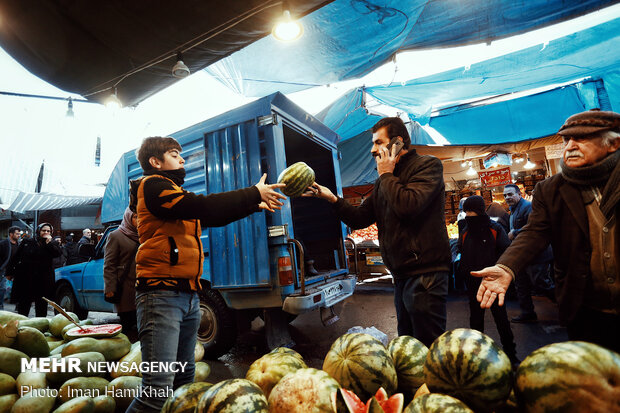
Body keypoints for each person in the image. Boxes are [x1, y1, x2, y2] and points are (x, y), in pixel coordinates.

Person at [126, 136, 286, 412]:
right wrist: (252, 193)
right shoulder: (153, 186)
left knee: (184, 381)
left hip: (187, 294)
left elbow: (211, 216)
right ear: (155, 162)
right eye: (175, 154)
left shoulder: (175, 196)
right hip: (160, 295)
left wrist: (251, 204)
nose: (182, 159)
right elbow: (204, 207)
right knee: (156, 391)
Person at [474, 109, 620, 353]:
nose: (570, 146)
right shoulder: (550, 189)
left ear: (613, 143)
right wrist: (506, 266)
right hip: (586, 311)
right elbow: (534, 232)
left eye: (581, 138)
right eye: (566, 140)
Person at [304, 117, 451, 347]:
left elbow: (408, 206)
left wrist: (385, 174)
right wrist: (332, 198)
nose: (373, 149)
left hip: (425, 275)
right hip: (402, 275)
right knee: (407, 347)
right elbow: (360, 218)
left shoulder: (427, 166)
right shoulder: (385, 180)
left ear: (397, 143)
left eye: (378, 142)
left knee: (427, 346)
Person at [458, 196, 518, 365]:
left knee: (499, 319)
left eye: (471, 211)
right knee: (479, 320)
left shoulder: (494, 228)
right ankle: (480, 355)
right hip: (475, 283)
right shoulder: (467, 230)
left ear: (479, 210)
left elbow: (506, 253)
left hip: (492, 281)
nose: (469, 215)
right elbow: (461, 251)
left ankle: (509, 355)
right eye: (467, 212)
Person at [502, 183, 554, 323]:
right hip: (522, 256)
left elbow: (536, 228)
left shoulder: (528, 207)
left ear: (519, 194)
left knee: (541, 283)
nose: (507, 197)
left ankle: (568, 306)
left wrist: (515, 232)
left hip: (536, 255)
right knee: (521, 284)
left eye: (510, 194)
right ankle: (527, 312)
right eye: (505, 195)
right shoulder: (513, 210)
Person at [6, 223, 62, 317]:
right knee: (24, 304)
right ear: (38, 231)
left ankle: (40, 328)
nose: (46, 232)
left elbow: (57, 254)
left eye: (48, 231)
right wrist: (9, 272)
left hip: (43, 280)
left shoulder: (52, 244)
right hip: (26, 278)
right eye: (44, 230)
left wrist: (49, 243)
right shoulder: (28, 242)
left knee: (41, 305)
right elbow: (16, 257)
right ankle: (22, 325)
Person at [103, 207, 139, 340]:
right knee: (128, 326)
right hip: (125, 289)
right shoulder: (116, 235)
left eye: (140, 216)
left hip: (143, 288)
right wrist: (110, 288)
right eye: (135, 217)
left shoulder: (145, 234)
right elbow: (109, 265)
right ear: (128, 218)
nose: (138, 220)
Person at [0, 226, 22, 309]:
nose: (19, 235)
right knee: (2, 288)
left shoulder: (19, 244)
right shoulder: (3, 244)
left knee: (18, 287)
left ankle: (18, 306)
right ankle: (0, 306)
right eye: (17, 234)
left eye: (19, 234)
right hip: (4, 269)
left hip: (15, 269)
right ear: (11, 234)